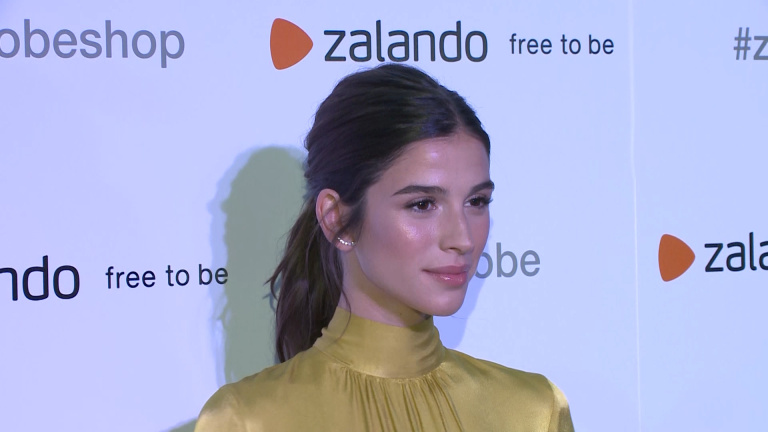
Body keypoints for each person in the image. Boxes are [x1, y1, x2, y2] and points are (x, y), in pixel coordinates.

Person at [194, 64, 574, 431]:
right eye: (422, 204)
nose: (463, 238)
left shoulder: (534, 412)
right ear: (336, 219)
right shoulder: (248, 421)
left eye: (477, 201)